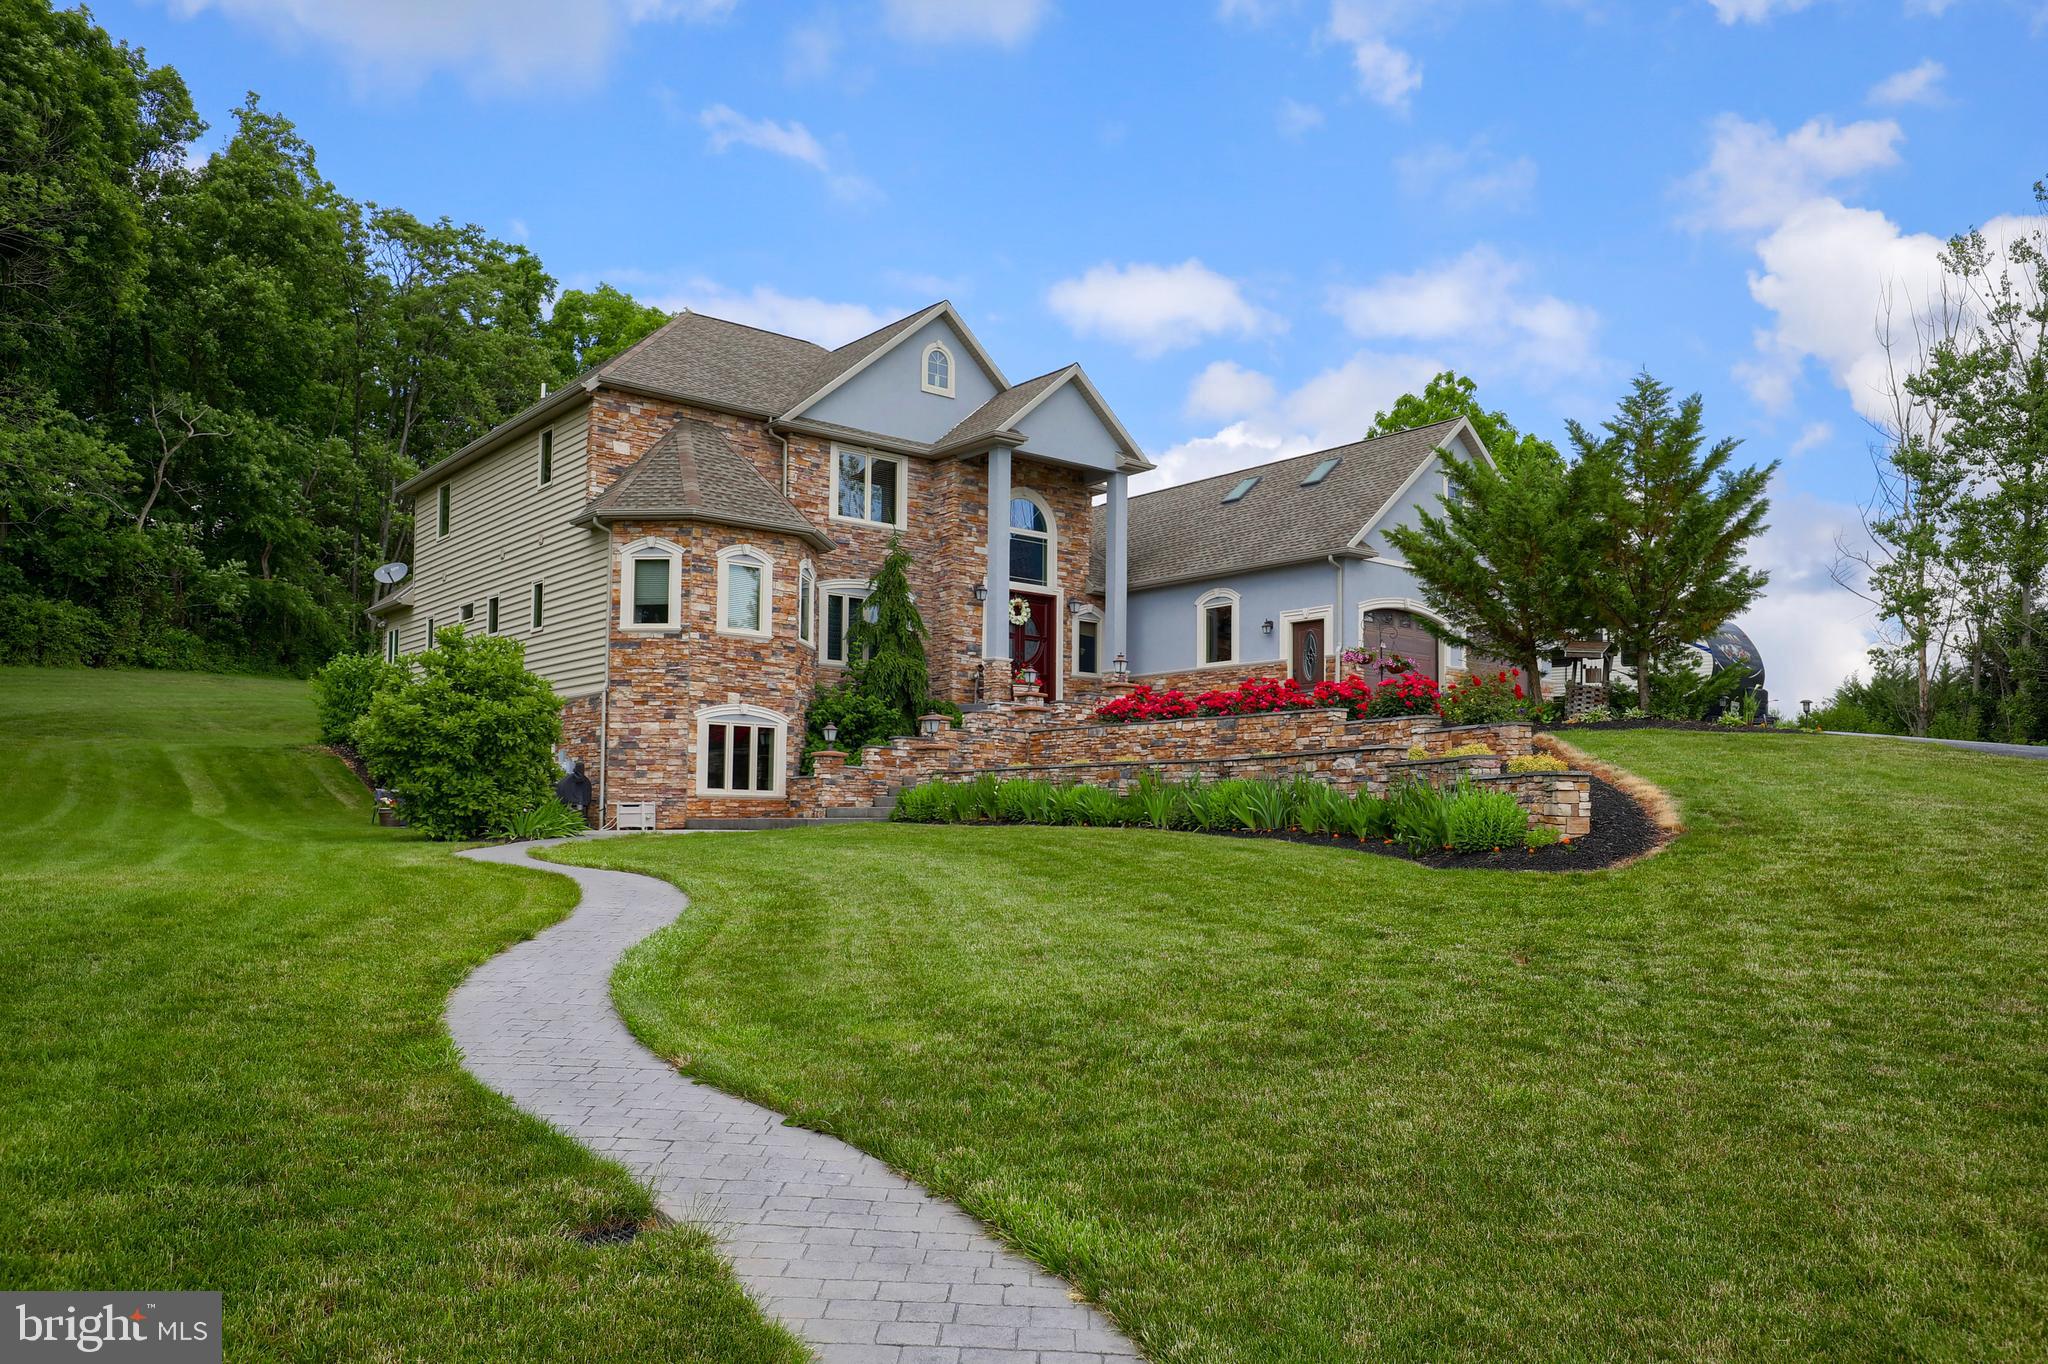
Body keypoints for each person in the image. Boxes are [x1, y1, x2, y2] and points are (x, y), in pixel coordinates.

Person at [554, 759, 592, 824]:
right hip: (573, 805)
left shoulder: (568, 779)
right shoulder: (585, 781)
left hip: (576, 805)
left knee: (577, 818)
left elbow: (560, 788)